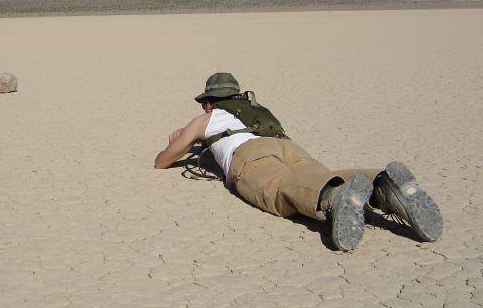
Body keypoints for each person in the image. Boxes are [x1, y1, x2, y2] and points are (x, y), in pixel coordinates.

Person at [154, 72, 443, 251]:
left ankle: (332, 197)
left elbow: (163, 162)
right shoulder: (258, 109)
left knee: (280, 188)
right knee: (322, 174)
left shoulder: (207, 118)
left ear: (209, 102)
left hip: (251, 154)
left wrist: (177, 141)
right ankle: (380, 181)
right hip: (289, 147)